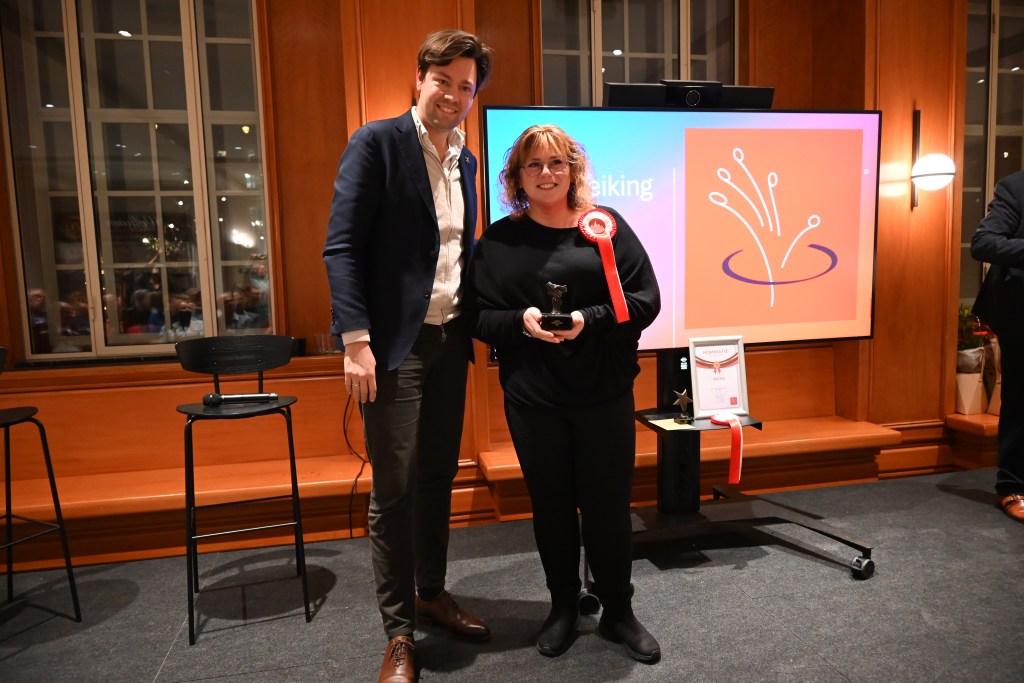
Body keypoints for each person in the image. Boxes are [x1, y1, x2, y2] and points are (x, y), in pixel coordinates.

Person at [323, 29, 493, 683]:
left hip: (450, 340)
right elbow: (341, 247)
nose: (453, 94)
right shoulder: (377, 143)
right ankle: (398, 634)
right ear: (419, 78)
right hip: (393, 346)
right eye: (442, 80)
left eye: (465, 86)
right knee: (393, 488)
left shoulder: (466, 160)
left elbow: (456, 252)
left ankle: (430, 591)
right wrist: (356, 341)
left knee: (438, 475)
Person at [465, 125, 662, 662]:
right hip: (534, 399)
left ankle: (618, 611)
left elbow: (646, 300)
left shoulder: (606, 227)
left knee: (607, 508)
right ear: (516, 177)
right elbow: (476, 317)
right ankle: (562, 608)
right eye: (533, 164)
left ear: (573, 169)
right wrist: (521, 321)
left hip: (604, 393)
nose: (546, 173)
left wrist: (586, 319)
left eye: (556, 162)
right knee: (551, 508)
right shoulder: (499, 242)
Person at [971, 169, 1024, 523]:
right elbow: (983, 242)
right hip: (1020, 310)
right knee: (1021, 399)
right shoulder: (1017, 186)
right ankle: (1012, 486)